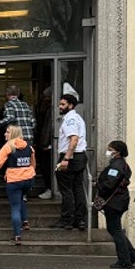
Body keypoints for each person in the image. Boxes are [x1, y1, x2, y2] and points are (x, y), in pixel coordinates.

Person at [0, 124, 36, 245]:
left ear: (13, 134)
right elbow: (33, 163)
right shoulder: (29, 146)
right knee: (22, 198)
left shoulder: (8, 147)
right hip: (28, 179)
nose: (5, 134)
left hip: (14, 180)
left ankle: (17, 235)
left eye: (7, 132)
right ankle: (25, 221)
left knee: (15, 206)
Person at [96, 140, 135, 269]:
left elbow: (109, 184)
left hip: (114, 202)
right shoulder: (120, 164)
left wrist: (98, 185)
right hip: (118, 201)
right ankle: (131, 254)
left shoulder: (116, 166)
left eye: (110, 149)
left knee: (115, 230)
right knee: (115, 229)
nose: (108, 151)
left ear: (118, 151)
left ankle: (125, 260)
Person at [52, 92, 88, 230]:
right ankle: (79, 220)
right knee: (77, 188)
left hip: (71, 157)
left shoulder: (69, 119)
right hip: (80, 156)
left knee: (66, 189)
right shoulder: (78, 118)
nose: (60, 107)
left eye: (63, 104)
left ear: (70, 105)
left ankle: (67, 219)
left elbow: (73, 139)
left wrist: (66, 158)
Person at [33, 85, 56, 199]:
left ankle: (51, 188)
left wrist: (45, 143)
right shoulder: (46, 109)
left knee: (47, 167)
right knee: (45, 166)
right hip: (44, 143)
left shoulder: (50, 110)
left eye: (46, 98)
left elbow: (47, 128)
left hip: (47, 144)